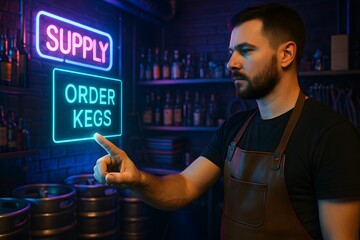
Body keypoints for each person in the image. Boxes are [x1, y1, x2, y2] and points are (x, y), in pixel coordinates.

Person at [93, 3, 360, 239]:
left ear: (286, 55)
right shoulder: (234, 128)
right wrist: (137, 179)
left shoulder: (332, 136)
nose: (231, 63)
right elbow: (184, 187)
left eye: (245, 50)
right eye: (231, 51)